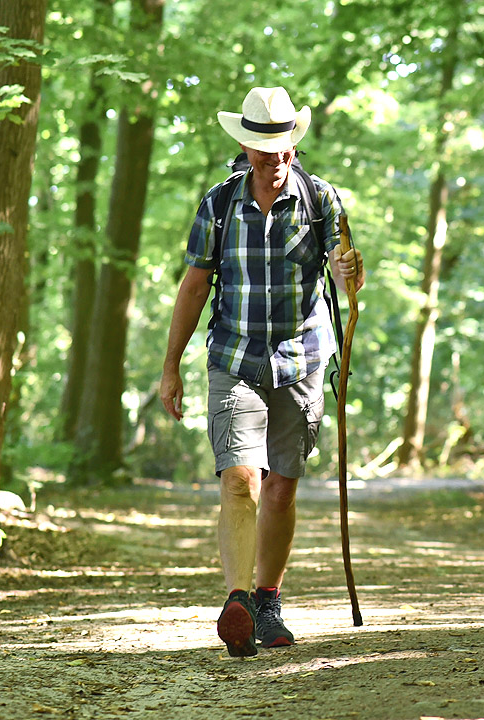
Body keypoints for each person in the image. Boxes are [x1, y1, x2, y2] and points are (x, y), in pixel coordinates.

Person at [160, 86, 365, 657]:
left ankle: (268, 597)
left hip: (302, 357)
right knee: (240, 478)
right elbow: (195, 285)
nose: (272, 160)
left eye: (280, 149)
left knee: (280, 489)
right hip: (235, 357)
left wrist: (351, 270)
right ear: (245, 147)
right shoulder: (219, 204)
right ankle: (239, 602)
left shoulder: (321, 200)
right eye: (260, 149)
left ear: (293, 146)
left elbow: (347, 279)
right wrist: (170, 366)